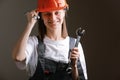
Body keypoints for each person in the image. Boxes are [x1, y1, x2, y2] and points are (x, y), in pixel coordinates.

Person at [12, 0, 88, 80]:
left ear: (64, 12)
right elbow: (18, 57)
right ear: (41, 16)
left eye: (57, 13)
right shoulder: (34, 43)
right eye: (47, 14)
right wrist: (30, 24)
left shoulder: (75, 44)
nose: (53, 18)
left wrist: (74, 66)